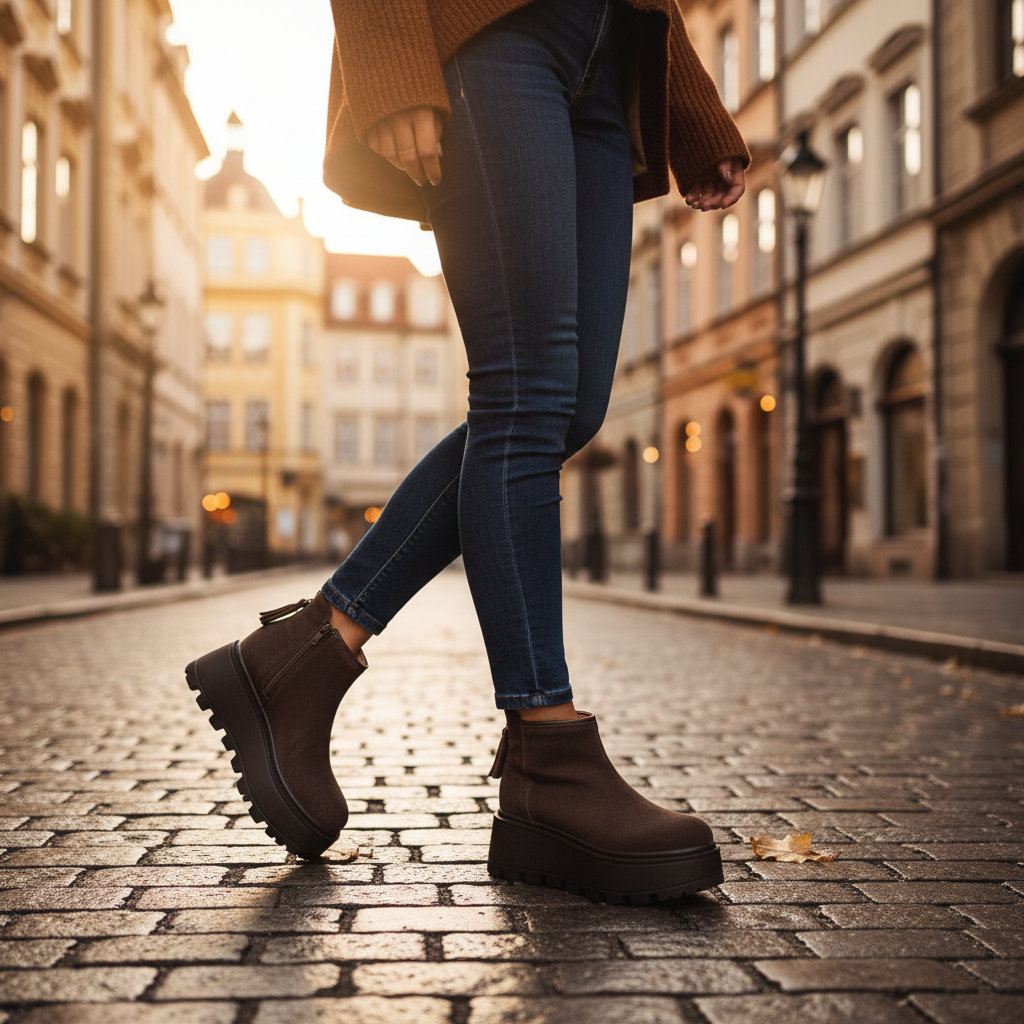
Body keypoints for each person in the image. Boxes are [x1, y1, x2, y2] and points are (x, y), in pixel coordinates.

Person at [186, 0, 748, 903]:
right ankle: (547, 752)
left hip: (614, 51)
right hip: (489, 34)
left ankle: (307, 651)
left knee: (567, 407)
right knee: (525, 390)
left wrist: (686, 101)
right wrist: (393, 57)